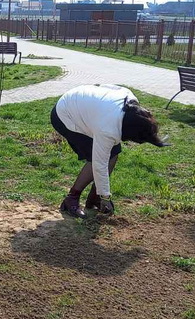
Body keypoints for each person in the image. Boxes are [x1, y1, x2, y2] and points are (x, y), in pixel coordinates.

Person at [50, 84, 169, 218]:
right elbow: (99, 164)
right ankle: (71, 199)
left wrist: (103, 194)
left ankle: (95, 197)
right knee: (94, 159)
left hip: (83, 103)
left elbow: (111, 87)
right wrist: (106, 197)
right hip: (66, 115)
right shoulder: (107, 129)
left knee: (113, 153)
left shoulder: (131, 103)